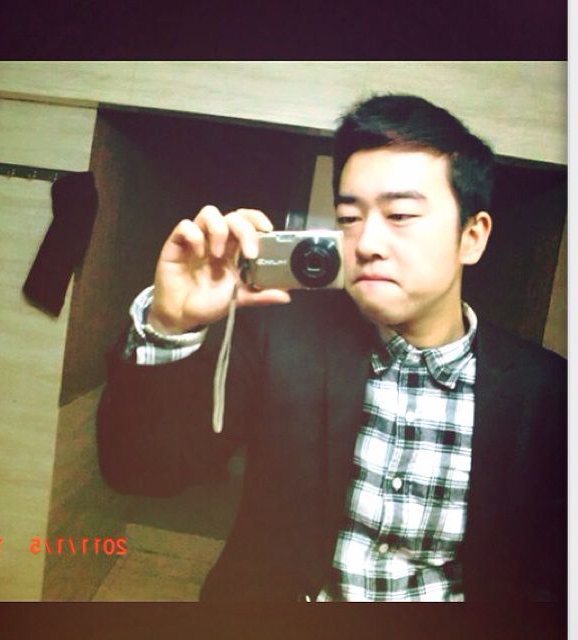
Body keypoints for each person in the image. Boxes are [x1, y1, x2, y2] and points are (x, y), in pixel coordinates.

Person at [96, 94, 567, 602]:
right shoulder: (281, 336)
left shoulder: (547, 393)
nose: (366, 243)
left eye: (400, 214)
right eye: (349, 217)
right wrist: (169, 324)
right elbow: (141, 472)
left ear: (471, 237)